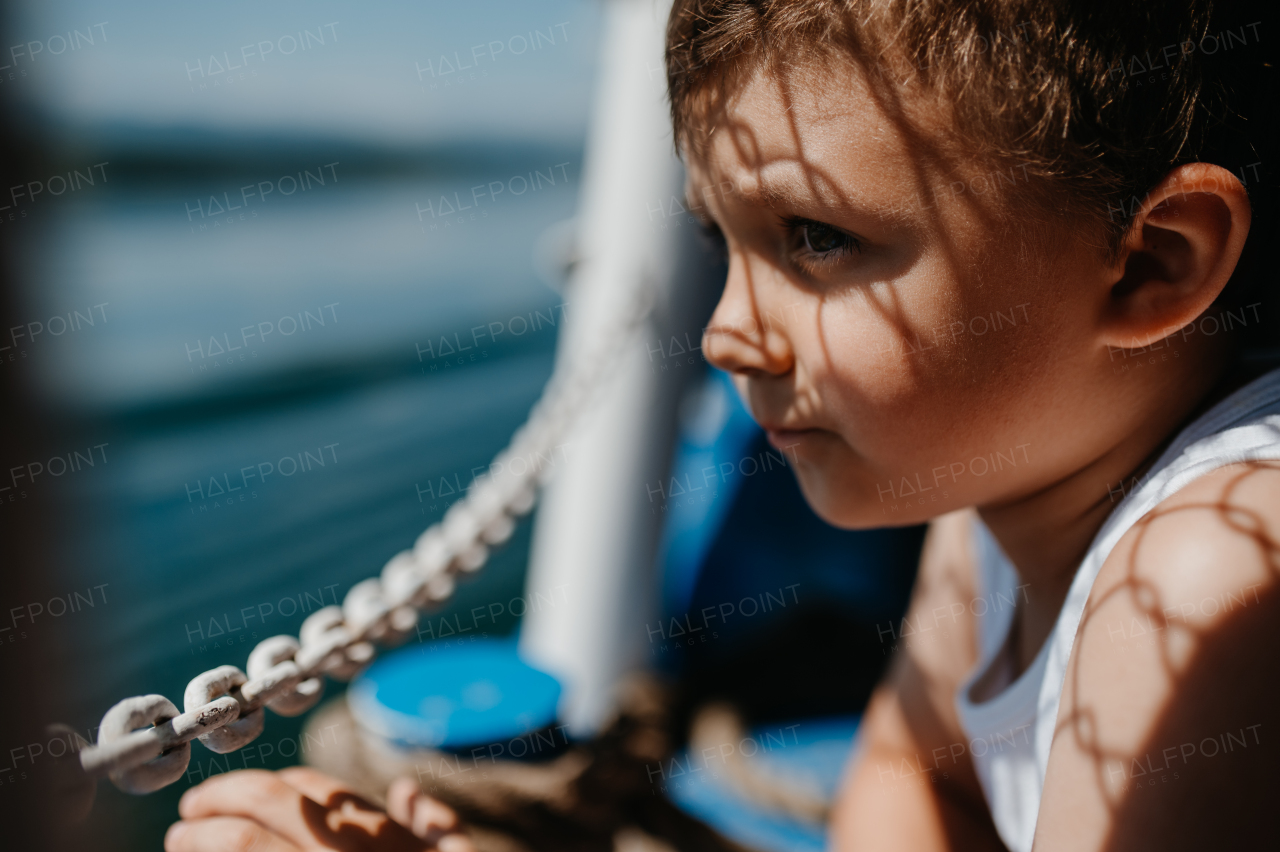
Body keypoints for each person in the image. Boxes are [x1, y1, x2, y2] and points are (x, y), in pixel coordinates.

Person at [165, 1, 1276, 850]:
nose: (724, 336)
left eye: (813, 237)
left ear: (1146, 266)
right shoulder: (1003, 492)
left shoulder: (1205, 578)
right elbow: (910, 771)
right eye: (719, 241)